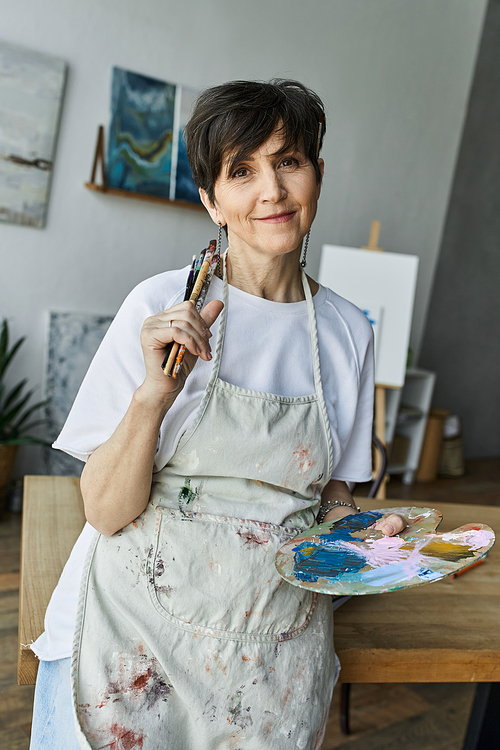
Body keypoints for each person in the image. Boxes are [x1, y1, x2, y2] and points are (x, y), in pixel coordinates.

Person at [30, 79, 405, 750]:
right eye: (242, 170)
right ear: (211, 201)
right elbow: (106, 511)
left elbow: (330, 498)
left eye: (289, 160)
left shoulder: (348, 331)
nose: (273, 191)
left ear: (317, 174)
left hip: (268, 662)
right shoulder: (159, 308)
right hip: (128, 648)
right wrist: (154, 395)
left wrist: (369, 537)